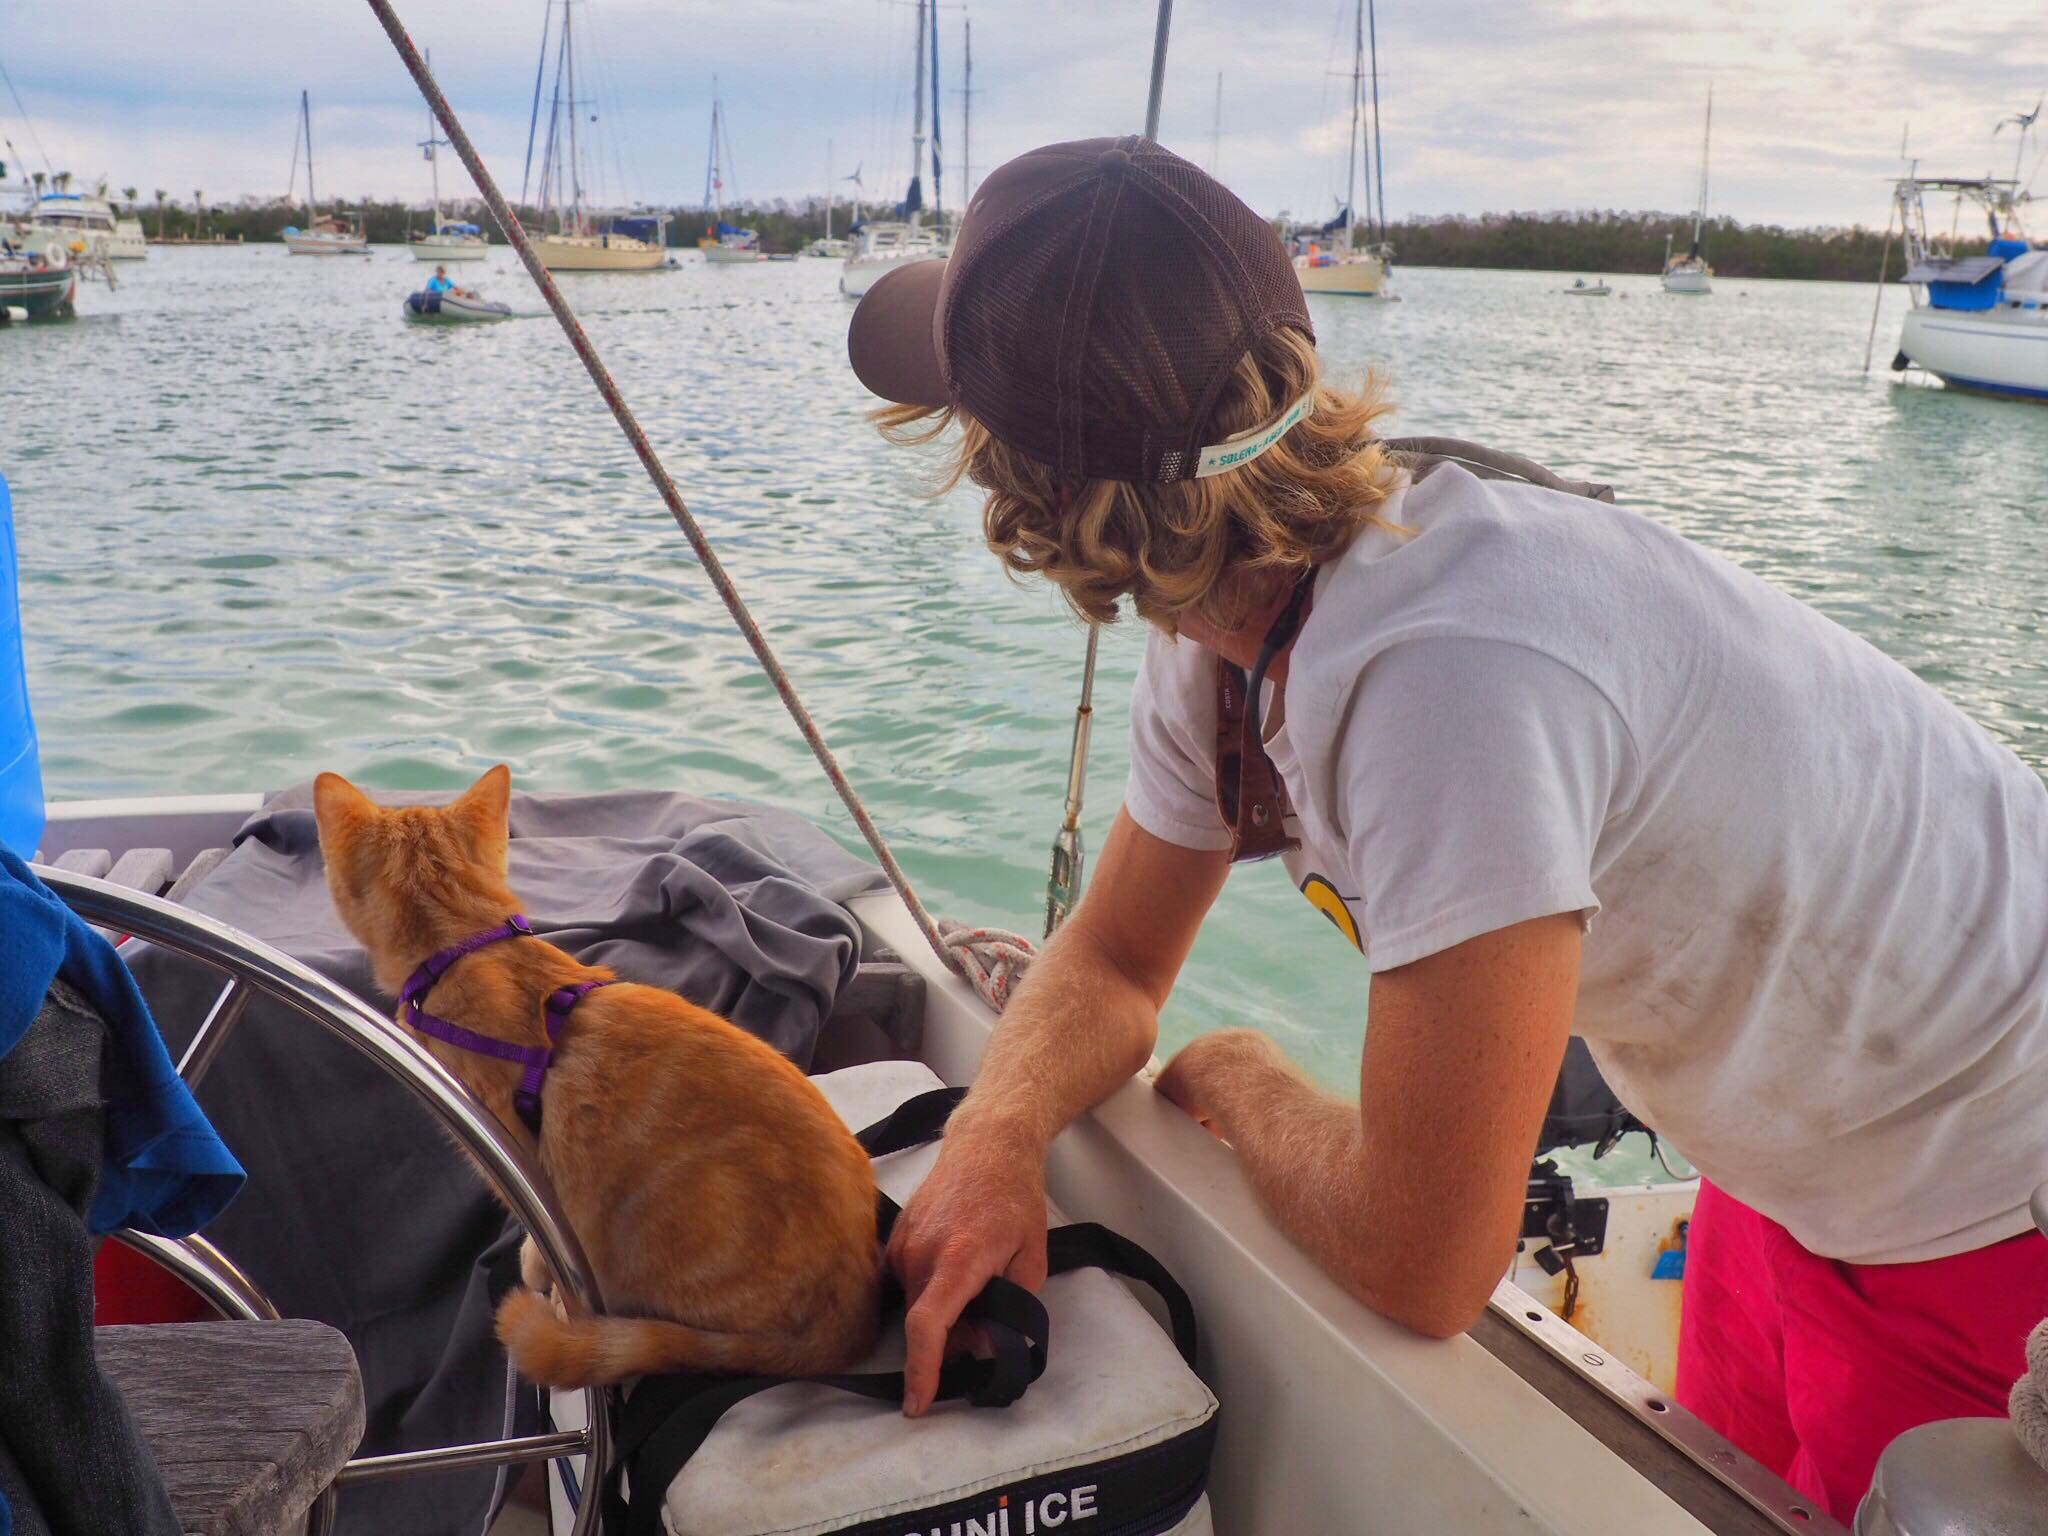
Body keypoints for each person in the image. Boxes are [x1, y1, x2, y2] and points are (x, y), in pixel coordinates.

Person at [845, 136, 2048, 1521]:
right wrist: (997, 1138)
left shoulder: (1449, 672)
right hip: (1773, 1168)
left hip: (1980, 1205)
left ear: (1042, 508)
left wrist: (1240, 1071)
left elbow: (1429, 1260)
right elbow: (1115, 959)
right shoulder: (1238, 628)